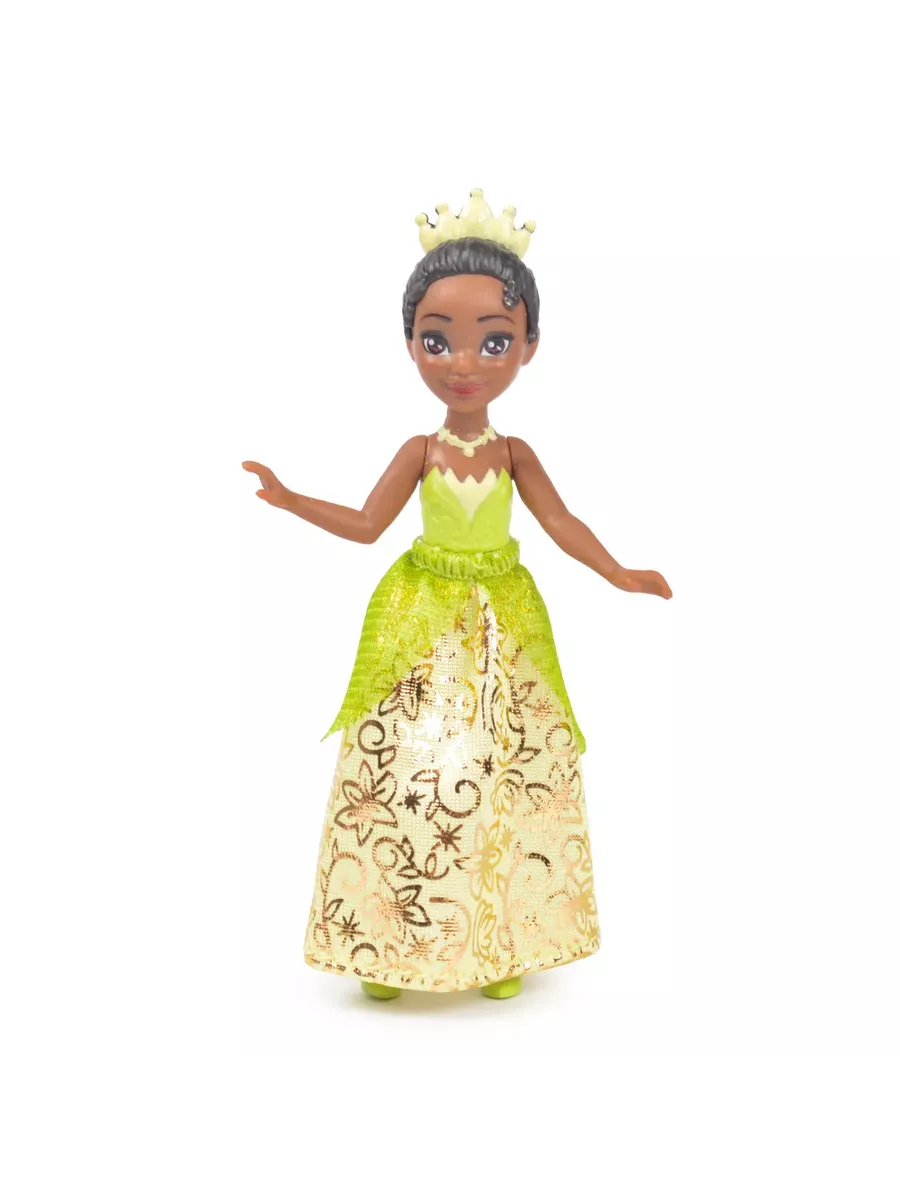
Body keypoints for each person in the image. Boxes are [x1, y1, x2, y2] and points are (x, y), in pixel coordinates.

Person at [243, 190, 671, 1001]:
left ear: (528, 347)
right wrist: (292, 498)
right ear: (411, 342)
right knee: (402, 769)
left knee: (507, 766)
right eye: (438, 340)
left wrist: (619, 572)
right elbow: (367, 524)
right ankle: (381, 942)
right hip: (421, 618)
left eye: (494, 341)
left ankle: (500, 940)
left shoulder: (514, 453)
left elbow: (560, 521)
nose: (465, 363)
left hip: (503, 622)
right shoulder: (421, 450)